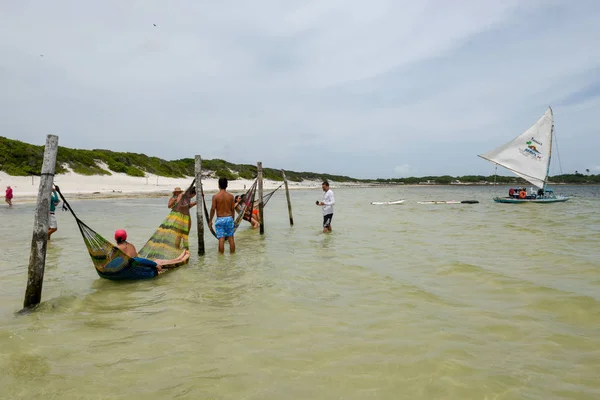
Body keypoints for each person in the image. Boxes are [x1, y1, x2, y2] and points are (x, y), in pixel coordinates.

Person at [113, 229, 190, 273]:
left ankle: (180, 259)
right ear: (125, 237)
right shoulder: (131, 245)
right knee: (159, 261)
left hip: (136, 268)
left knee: (158, 262)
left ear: (115, 238)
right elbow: (135, 256)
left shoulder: (116, 249)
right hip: (140, 264)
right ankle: (180, 259)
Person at [209, 177, 236, 253]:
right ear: (227, 185)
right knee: (231, 238)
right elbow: (232, 209)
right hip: (229, 218)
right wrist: (232, 219)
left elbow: (213, 209)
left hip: (220, 219)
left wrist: (210, 220)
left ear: (218, 185)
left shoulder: (215, 196)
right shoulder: (231, 196)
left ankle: (221, 258)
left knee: (221, 239)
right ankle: (232, 256)